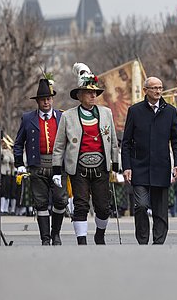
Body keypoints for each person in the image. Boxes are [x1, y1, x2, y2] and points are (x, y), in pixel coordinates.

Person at [53, 63, 118, 245]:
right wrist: (57, 171)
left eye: (95, 92)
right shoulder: (68, 116)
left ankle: (100, 234)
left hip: (101, 166)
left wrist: (116, 165)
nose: (93, 95)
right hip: (78, 167)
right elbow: (59, 146)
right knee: (80, 205)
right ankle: (81, 241)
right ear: (79, 95)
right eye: (88, 93)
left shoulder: (106, 113)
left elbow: (113, 140)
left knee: (103, 208)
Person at [121, 76, 177, 245]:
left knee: (160, 211)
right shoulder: (135, 111)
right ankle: (142, 240)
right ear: (145, 91)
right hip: (139, 168)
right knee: (141, 205)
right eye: (154, 88)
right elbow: (126, 142)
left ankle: (158, 243)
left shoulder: (170, 111)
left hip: (161, 167)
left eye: (160, 88)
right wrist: (126, 166)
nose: (157, 91)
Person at [14, 76, 67, 245]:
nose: (46, 102)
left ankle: (56, 233)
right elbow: (18, 143)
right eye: (43, 99)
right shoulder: (28, 118)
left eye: (49, 99)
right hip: (37, 165)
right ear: (37, 101)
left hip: (58, 165)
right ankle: (45, 238)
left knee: (60, 200)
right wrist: (19, 164)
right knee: (41, 202)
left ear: (52, 99)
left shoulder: (62, 117)